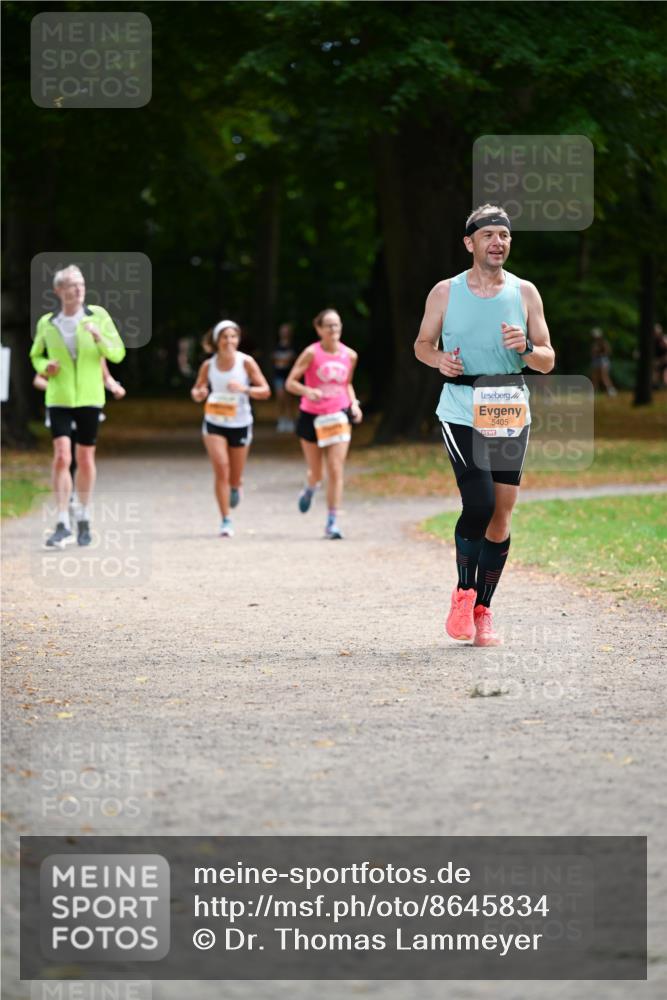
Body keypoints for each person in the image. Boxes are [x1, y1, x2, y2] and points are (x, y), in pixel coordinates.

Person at [414, 204, 555, 646]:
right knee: (477, 504)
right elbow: (422, 343)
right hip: (461, 406)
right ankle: (463, 590)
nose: (499, 242)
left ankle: (483, 610)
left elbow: (548, 360)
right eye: (489, 235)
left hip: (510, 406)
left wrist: (527, 347)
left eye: (505, 236)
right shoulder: (445, 292)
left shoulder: (525, 292)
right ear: (470, 243)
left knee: (500, 515)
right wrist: (439, 359)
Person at [30, 265, 126, 548]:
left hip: (90, 398)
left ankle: (83, 514)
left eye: (81, 283)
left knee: (84, 459)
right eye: (72, 284)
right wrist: (44, 365)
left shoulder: (98, 317)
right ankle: (61, 522)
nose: (78, 288)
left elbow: (117, 353)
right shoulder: (48, 323)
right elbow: (35, 355)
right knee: (62, 457)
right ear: (59, 290)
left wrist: (100, 338)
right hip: (58, 398)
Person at [286, 308, 362, 539]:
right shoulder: (311, 353)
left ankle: (332, 522)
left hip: (338, 415)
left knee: (336, 470)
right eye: (328, 325)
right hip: (312, 417)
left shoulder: (350, 355)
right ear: (318, 328)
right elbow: (290, 383)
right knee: (317, 473)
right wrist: (307, 391)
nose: (333, 329)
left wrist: (354, 404)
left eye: (337, 325)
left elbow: (347, 383)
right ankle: (310, 488)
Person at [190, 319, 270, 537]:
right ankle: (225, 520)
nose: (229, 341)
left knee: (234, 475)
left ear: (238, 339)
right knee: (221, 468)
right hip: (215, 421)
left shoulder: (246, 363)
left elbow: (265, 390)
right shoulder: (208, 365)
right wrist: (199, 394)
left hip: (240, 422)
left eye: (233, 336)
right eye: (225, 337)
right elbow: (197, 390)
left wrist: (245, 389)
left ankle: (236, 486)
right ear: (217, 340)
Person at [33, 359, 126, 519]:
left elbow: (105, 376)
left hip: (86, 407)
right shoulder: (58, 352)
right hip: (61, 406)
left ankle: (79, 501)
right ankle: (66, 502)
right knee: (63, 455)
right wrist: (57, 387)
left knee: (81, 458)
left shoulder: (93, 350)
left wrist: (115, 387)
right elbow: (38, 379)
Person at [272, 322, 297, 432]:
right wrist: (284, 359)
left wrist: (283, 360)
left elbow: (291, 359)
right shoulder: (276, 345)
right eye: (283, 331)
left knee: (289, 399)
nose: (284, 333)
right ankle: (281, 420)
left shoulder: (294, 345)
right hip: (279, 376)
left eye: (286, 331)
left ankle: (290, 420)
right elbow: (275, 360)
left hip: (290, 376)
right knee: (280, 397)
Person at [590, 327, 616, 396]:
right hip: (596, 361)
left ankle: (611, 391)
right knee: (595, 378)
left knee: (604, 377)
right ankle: (594, 392)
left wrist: (598, 353)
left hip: (603, 361)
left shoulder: (604, 343)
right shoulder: (594, 344)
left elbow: (607, 352)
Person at [653, 323, 667, 389]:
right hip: (659, 360)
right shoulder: (653, 340)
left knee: (665, 373)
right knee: (655, 370)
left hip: (664, 359)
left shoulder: (663, 339)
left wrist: (662, 360)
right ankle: (656, 385)